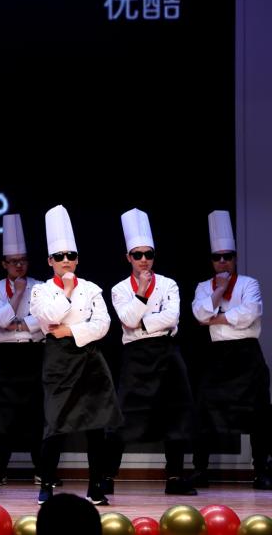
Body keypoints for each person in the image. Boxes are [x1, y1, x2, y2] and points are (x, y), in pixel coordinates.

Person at [29, 205, 121, 506]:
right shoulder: (40, 291)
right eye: (59, 257)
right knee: (55, 424)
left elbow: (103, 325)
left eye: (71, 255)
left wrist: (70, 330)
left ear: (77, 258)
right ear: (50, 261)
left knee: (96, 426)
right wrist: (67, 292)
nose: (66, 261)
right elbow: (47, 318)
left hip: (91, 359)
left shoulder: (92, 288)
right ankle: (46, 485)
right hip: (59, 361)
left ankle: (95, 487)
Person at [107, 208, 196, 496]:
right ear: (128, 257)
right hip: (136, 356)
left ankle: (175, 477)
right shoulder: (120, 289)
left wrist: (142, 323)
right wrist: (142, 293)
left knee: (176, 414)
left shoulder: (169, 284)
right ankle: (107, 476)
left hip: (167, 353)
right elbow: (127, 319)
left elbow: (172, 316)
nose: (144, 259)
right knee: (123, 415)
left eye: (148, 254)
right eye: (138, 255)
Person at [190, 210, 271, 490]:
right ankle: (200, 470)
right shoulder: (204, 287)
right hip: (217, 358)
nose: (223, 261)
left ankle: (261, 471)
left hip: (247, 355)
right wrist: (219, 291)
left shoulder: (249, 283)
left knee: (259, 414)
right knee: (204, 411)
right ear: (212, 260)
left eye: (228, 256)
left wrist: (216, 318)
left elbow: (250, 313)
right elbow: (200, 314)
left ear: (235, 258)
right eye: (217, 257)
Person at [0, 214, 45, 486]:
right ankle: (0, 468)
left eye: (23, 260)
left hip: (34, 355)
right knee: (0, 417)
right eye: (14, 261)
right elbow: (1, 320)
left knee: (38, 413)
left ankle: (43, 469)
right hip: (5, 358)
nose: (19, 266)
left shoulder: (41, 287)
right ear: (4, 264)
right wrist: (18, 294)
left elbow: (44, 321)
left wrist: (18, 324)